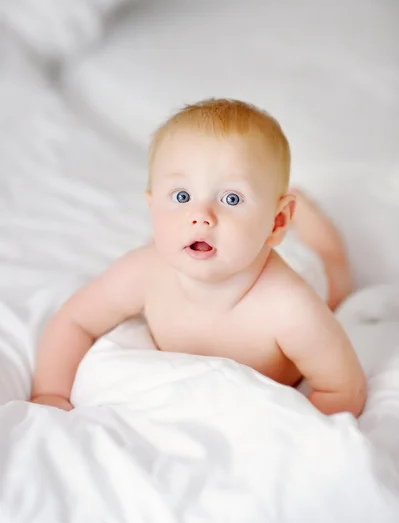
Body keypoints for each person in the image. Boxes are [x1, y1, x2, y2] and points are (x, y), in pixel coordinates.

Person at [31, 99, 367, 416]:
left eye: (232, 198)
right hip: (232, 247)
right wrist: (52, 393)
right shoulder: (145, 271)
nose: (201, 215)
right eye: (181, 195)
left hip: (289, 262)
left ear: (277, 222)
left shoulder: (292, 308)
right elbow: (74, 321)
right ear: (153, 208)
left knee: (333, 276)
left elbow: (343, 391)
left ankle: (305, 209)